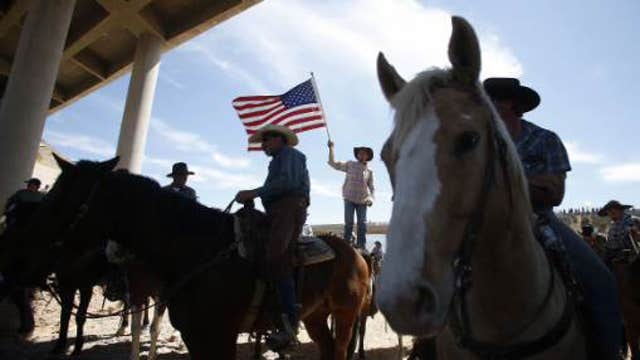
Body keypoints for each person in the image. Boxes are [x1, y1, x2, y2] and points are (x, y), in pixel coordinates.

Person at [484, 77, 622, 359]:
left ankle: (607, 352)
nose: (487, 106)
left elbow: (554, 193)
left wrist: (500, 182)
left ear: (513, 104)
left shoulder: (545, 139)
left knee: (602, 282)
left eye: (495, 100)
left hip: (540, 221)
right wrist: (528, 183)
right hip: (483, 223)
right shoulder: (475, 142)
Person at [235, 124, 310, 351]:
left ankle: (290, 320)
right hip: (276, 210)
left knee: (277, 255)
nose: (263, 144)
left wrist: (254, 193)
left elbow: (287, 183)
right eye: (263, 141)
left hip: (289, 207)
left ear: (280, 139)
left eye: (267, 140)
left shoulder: (291, 154)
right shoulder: (276, 160)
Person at [327, 141, 375, 249]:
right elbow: (333, 163)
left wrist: (371, 198)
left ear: (367, 156)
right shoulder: (350, 164)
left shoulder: (369, 171)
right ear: (357, 155)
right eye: (360, 153)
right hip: (349, 198)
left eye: (364, 153)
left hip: (363, 200)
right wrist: (331, 148)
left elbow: (372, 187)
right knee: (349, 223)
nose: (361, 155)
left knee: (362, 224)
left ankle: (361, 246)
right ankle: (346, 245)